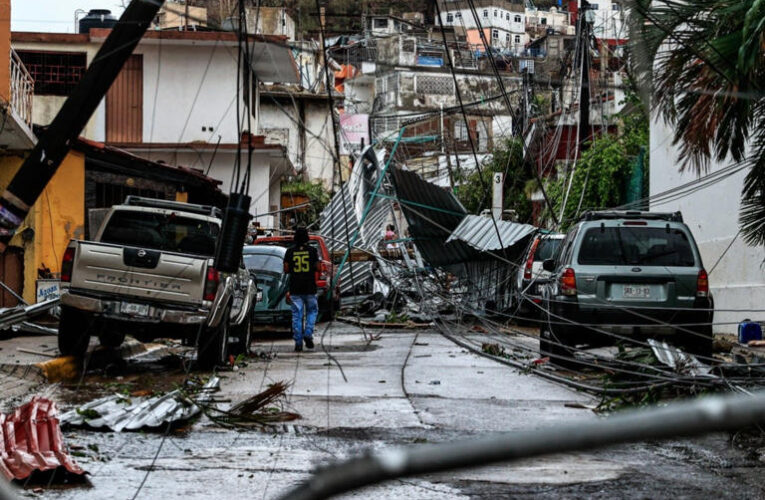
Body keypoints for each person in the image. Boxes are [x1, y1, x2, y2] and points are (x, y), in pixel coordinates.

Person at [284, 226, 319, 352]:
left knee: (297, 316)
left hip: (295, 288)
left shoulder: (289, 252)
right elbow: (318, 267)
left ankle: (298, 342)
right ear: (307, 237)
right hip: (310, 287)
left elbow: (286, 269)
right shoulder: (313, 251)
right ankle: (308, 334)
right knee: (312, 311)